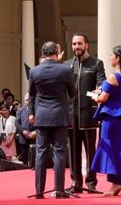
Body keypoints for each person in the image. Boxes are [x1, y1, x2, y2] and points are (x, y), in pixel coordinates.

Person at [28, 41, 77, 199]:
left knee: (40, 153)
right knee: (60, 152)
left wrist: (31, 113)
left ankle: (39, 191)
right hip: (59, 116)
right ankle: (60, 190)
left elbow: (31, 95)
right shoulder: (65, 70)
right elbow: (73, 92)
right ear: (57, 52)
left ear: (42, 54)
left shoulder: (34, 71)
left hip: (41, 116)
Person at [91, 45, 121, 196]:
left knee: (110, 148)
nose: (110, 57)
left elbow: (102, 98)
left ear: (118, 58)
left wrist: (94, 97)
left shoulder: (113, 77)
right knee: (120, 149)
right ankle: (118, 184)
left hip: (112, 118)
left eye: (112, 55)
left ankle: (116, 184)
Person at [66, 33, 105, 194]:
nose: (76, 47)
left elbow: (102, 84)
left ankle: (91, 182)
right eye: (74, 44)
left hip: (89, 114)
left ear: (86, 45)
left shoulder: (96, 63)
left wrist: (100, 90)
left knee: (91, 150)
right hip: (70, 114)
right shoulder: (67, 65)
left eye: (79, 44)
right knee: (73, 150)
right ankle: (75, 181)